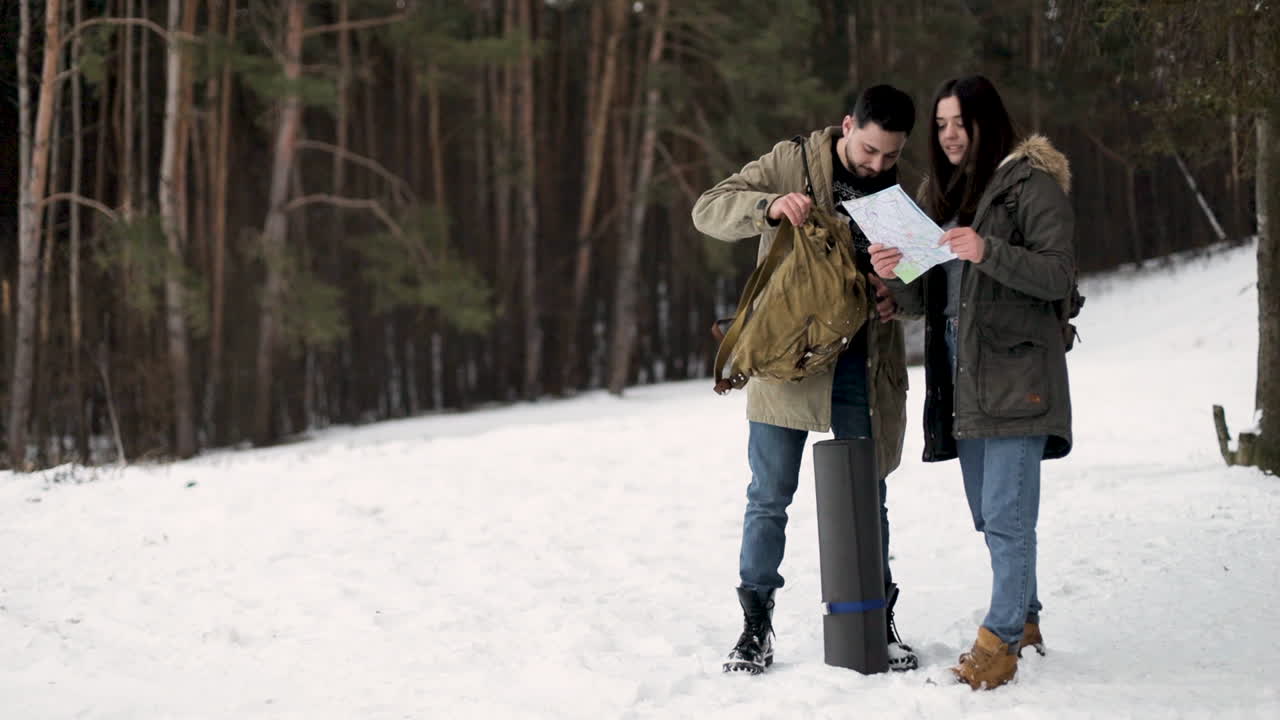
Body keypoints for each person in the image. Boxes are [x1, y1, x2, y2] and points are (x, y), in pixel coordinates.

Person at [692, 85, 918, 675]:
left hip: (861, 364)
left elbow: (921, 282)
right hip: (786, 360)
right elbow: (708, 208)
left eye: (890, 156)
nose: (877, 165)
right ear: (847, 125)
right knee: (769, 498)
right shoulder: (790, 161)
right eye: (869, 150)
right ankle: (754, 627)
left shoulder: (895, 195)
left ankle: (877, 622)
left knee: (870, 496)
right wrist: (767, 206)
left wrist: (897, 296)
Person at [870, 74, 1075, 690]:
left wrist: (988, 251)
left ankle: (1000, 641)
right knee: (991, 518)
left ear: (988, 120)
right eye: (941, 125)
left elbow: (1058, 275)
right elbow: (937, 292)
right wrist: (894, 282)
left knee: (1008, 518)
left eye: (961, 122)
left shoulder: (1030, 187)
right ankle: (1027, 619)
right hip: (962, 383)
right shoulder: (945, 192)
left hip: (1018, 376)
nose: (951, 134)